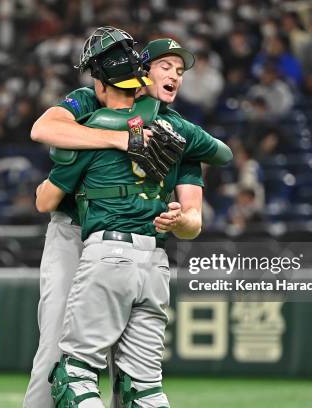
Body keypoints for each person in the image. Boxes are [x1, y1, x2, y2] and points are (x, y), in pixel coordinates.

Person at [24, 29, 232, 408]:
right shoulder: (92, 99)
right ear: (142, 71)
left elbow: (193, 220)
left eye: (180, 70)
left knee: (119, 373)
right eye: (164, 66)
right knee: (57, 346)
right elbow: (42, 128)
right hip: (75, 230)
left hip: (135, 242)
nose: (174, 75)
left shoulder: (174, 130)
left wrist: (179, 220)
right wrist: (120, 138)